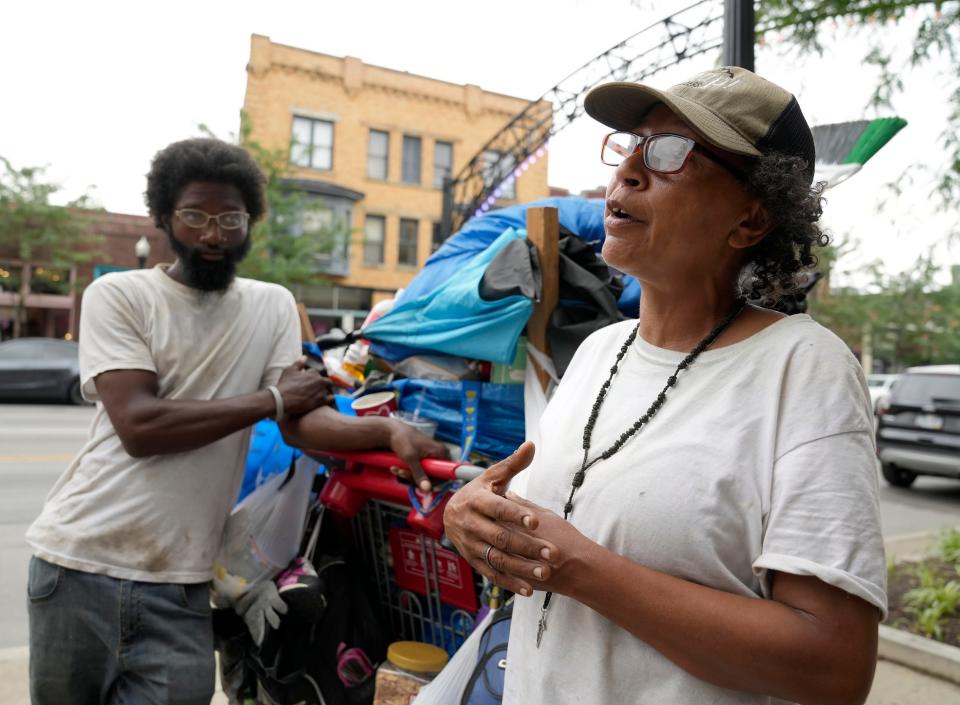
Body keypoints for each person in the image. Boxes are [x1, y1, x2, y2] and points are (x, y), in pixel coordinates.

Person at [444, 67, 886, 705]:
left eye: (671, 153)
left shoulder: (804, 368)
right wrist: (476, 519)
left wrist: (580, 570)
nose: (627, 172)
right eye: (629, 146)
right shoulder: (600, 351)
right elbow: (554, 535)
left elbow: (833, 666)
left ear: (752, 220)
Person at [26, 137, 446, 705]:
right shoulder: (119, 295)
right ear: (165, 218)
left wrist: (386, 431)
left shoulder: (271, 304)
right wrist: (271, 400)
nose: (213, 234)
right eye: (195, 215)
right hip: (80, 564)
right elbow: (140, 426)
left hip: (183, 584)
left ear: (251, 221)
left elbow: (303, 422)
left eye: (231, 217)